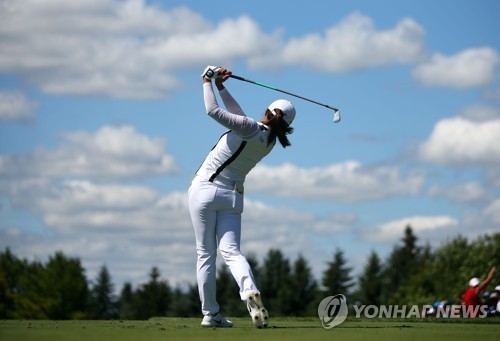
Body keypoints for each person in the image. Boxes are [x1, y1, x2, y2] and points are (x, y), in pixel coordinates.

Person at [188, 66, 296, 328]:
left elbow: (212, 111)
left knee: (205, 254)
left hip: (204, 191)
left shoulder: (248, 127)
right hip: (232, 198)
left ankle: (210, 314)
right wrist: (222, 86)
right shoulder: (268, 140)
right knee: (232, 252)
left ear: (271, 112)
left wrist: (206, 81)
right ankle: (249, 291)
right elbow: (239, 117)